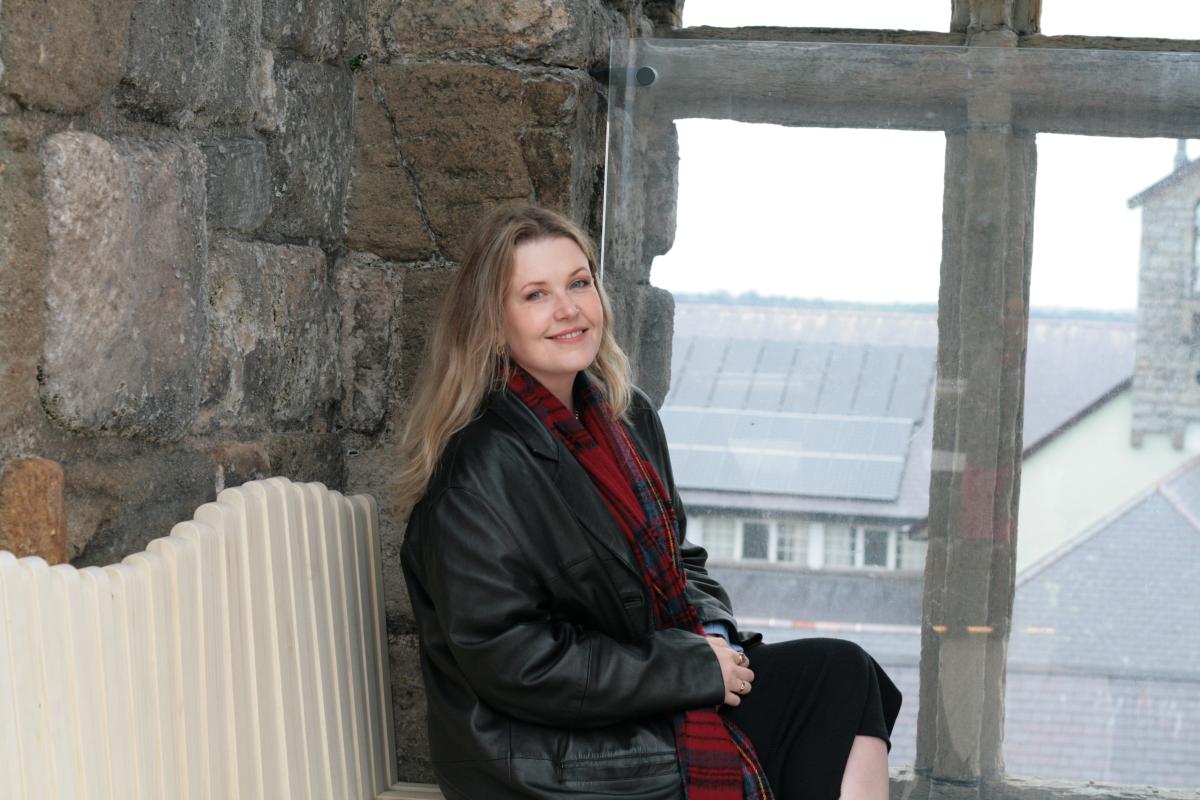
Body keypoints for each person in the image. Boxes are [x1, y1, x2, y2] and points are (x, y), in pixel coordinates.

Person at [397, 205, 901, 800]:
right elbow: (515, 663)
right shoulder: (479, 469)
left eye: (579, 283)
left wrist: (715, 639)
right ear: (492, 321)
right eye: (535, 295)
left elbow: (680, 557)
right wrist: (689, 668)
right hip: (538, 748)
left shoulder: (625, 415)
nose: (568, 310)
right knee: (822, 702)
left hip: (634, 691)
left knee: (843, 672)